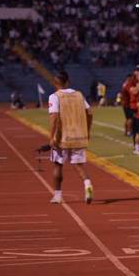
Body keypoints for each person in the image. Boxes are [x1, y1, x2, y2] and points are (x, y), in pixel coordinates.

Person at [46, 71, 94, 204]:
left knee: (58, 165)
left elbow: (54, 117)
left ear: (55, 84)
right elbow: (89, 113)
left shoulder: (54, 96)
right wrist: (87, 131)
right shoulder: (79, 95)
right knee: (79, 165)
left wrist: (52, 137)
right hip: (78, 135)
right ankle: (87, 184)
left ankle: (57, 195)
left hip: (62, 136)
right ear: (68, 82)